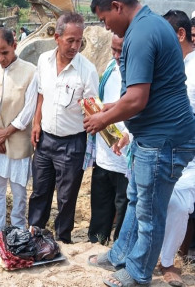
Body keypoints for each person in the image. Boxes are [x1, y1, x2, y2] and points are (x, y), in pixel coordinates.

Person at [86, 0, 195, 287]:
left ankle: (138, 273)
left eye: (106, 20)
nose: (107, 28)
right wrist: (108, 107)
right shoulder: (148, 25)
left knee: (150, 213)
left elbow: (137, 99)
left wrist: (101, 120)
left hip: (163, 140)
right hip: (156, 137)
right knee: (137, 199)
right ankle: (121, 253)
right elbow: (142, 91)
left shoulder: (142, 33)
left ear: (117, 7)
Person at [28, 12, 98, 244]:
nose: (75, 46)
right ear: (57, 37)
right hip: (45, 140)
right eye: (70, 40)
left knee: (67, 198)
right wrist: (36, 123)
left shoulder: (87, 71)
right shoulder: (44, 61)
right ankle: (35, 234)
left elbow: (93, 110)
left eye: (79, 41)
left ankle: (63, 239)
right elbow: (41, 94)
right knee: (40, 191)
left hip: (72, 143)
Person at [0, 27, 37, 232]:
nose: (1, 58)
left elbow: (28, 109)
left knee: (19, 190)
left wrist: (5, 133)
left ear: (14, 46)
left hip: (17, 139)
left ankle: (18, 229)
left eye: (5, 52)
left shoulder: (30, 71)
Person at [158, 9, 195, 287]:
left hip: (189, 152)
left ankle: (168, 261)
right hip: (163, 146)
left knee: (179, 203)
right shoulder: (168, 64)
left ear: (180, 35)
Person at [85, 34, 129, 245]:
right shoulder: (111, 68)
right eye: (114, 50)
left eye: (121, 51)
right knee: (101, 201)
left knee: (123, 205)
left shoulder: (142, 74)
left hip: (126, 156)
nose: (116, 55)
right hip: (104, 150)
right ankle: (97, 241)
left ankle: (119, 246)